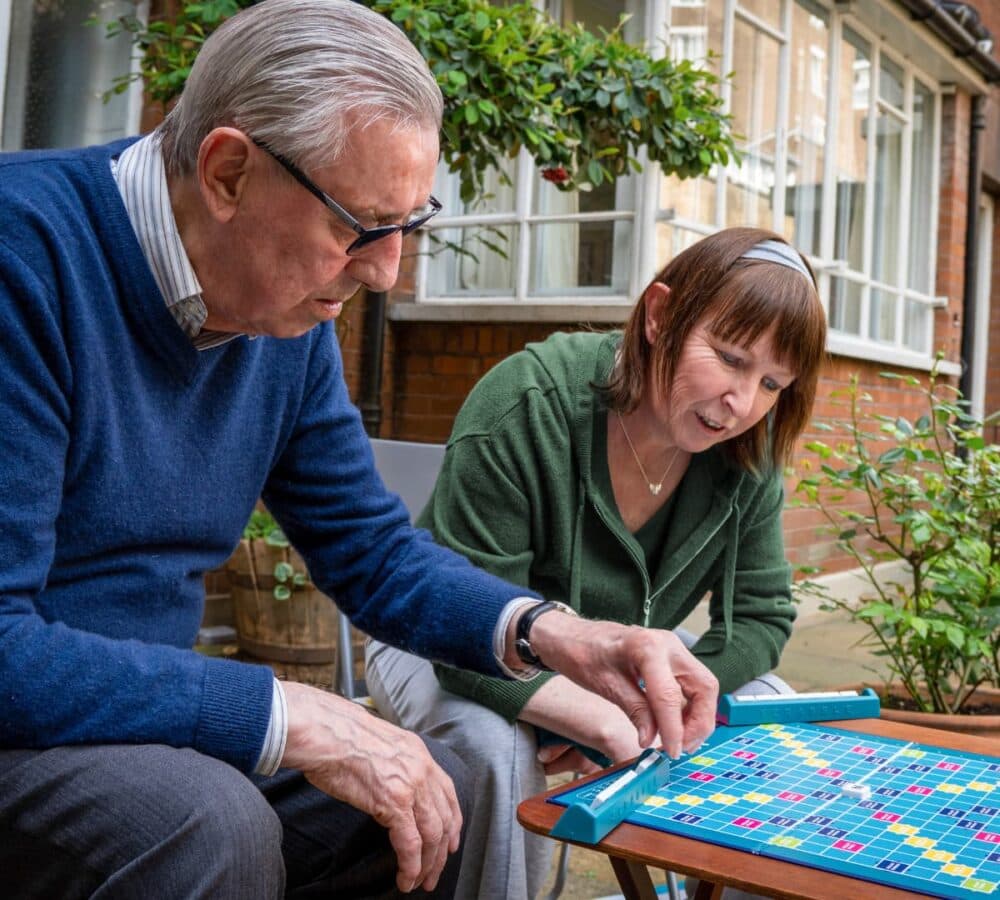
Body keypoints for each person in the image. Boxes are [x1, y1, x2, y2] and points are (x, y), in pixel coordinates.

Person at [0, 2, 722, 898]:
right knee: (204, 821)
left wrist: (558, 634)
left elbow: (368, 549)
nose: (385, 273)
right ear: (229, 171)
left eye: (409, 226)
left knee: (435, 794)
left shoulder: (281, 312)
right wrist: (285, 710)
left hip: (135, 724)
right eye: (360, 227)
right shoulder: (20, 255)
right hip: (25, 728)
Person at [367, 226, 828, 898]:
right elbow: (457, 623)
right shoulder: (529, 401)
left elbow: (761, 618)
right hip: (441, 635)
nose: (743, 403)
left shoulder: (747, 452)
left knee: (769, 704)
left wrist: (651, 699)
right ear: (660, 314)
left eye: (772, 383)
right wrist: (575, 708)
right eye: (729, 358)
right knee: (498, 748)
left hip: (619, 662)